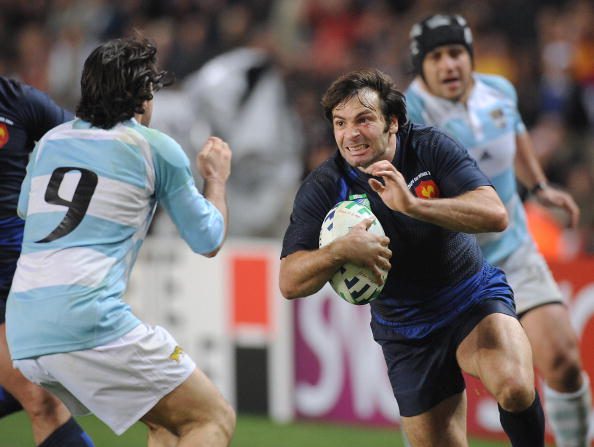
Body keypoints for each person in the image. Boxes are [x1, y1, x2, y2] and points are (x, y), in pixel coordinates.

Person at [279, 68, 545, 446]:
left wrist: (415, 205)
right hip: (405, 332)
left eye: (363, 119)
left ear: (393, 122)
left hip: (470, 298)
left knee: (516, 386)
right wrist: (341, 250)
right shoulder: (324, 186)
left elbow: (494, 213)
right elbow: (289, 281)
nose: (350, 134)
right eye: (340, 123)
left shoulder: (429, 146)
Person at [5, 36, 236, 446]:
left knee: (167, 424)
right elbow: (208, 239)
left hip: (22, 328)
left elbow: (27, 209)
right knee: (211, 419)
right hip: (87, 320)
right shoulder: (154, 148)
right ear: (143, 94)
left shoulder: (52, 142)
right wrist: (215, 179)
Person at [405, 14, 591, 446]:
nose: (449, 64)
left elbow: (517, 138)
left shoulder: (499, 92)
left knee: (563, 360)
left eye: (456, 53)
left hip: (512, 249)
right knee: (476, 401)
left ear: (470, 56)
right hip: (450, 268)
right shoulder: (409, 113)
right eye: (436, 57)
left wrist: (540, 186)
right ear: (421, 66)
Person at [0, 75, 94, 446]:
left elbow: (88, 146)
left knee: (42, 396)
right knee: (40, 396)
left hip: (20, 277)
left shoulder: (15, 101)